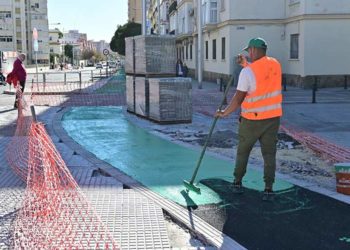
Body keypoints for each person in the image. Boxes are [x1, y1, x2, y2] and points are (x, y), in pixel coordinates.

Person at [215, 38, 282, 201]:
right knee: (269, 154)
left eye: (249, 51)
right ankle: (268, 189)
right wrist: (246, 64)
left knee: (243, 152)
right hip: (273, 119)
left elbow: (238, 99)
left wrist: (224, 113)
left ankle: (237, 183)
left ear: (253, 50)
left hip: (251, 120)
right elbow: (261, 77)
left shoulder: (247, 73)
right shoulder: (276, 64)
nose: (248, 54)